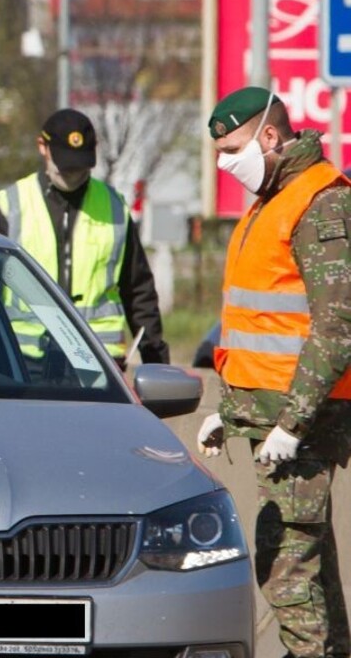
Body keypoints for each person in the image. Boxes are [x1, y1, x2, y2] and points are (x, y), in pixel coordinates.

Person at [197, 86, 351, 658]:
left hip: (300, 424)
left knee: (286, 569)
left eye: (231, 149)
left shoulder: (320, 202)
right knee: (311, 568)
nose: (224, 163)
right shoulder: (275, 197)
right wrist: (230, 409)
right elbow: (263, 323)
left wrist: (292, 423)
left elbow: (337, 326)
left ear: (269, 136)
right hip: (271, 415)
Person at [0, 108, 169, 369]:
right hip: (25, 361)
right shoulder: (11, 206)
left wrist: (157, 363)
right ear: (42, 147)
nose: (73, 174)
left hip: (99, 360)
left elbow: (138, 290)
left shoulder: (115, 207)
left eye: (80, 166)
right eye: (65, 166)